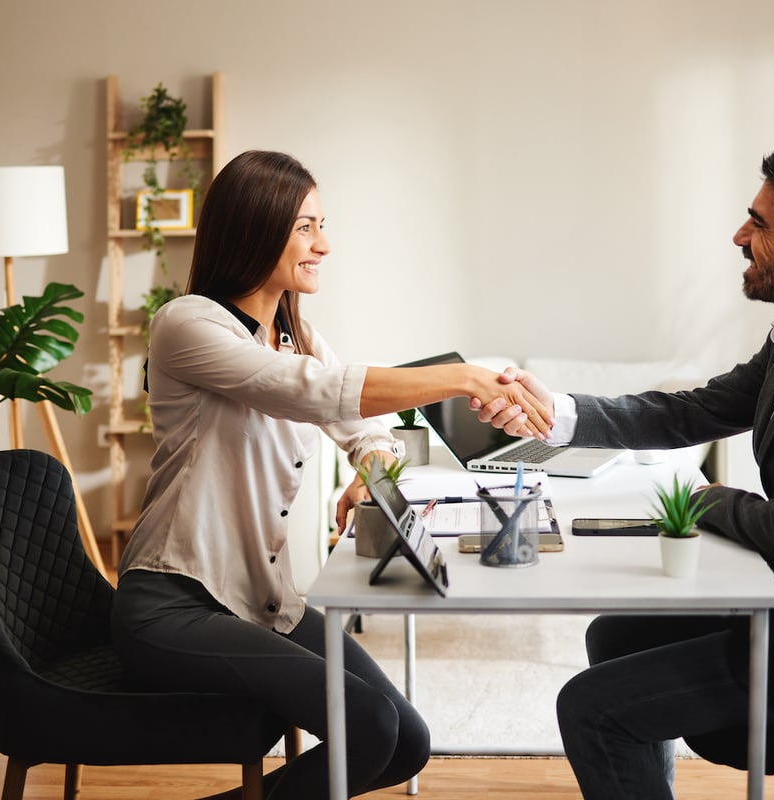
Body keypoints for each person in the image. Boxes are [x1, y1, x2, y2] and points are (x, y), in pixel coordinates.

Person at [477, 140, 774, 799]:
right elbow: (690, 413)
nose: (740, 235)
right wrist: (552, 413)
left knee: (591, 707)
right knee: (614, 636)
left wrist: (707, 501)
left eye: (759, 224)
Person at [111, 149, 552, 800]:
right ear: (256, 227)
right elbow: (312, 393)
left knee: (407, 743)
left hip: (265, 602)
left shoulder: (298, 335)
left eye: (323, 225)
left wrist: (368, 470)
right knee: (368, 727)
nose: (325, 245)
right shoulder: (188, 325)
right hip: (175, 604)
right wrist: (462, 376)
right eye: (307, 227)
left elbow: (365, 430)